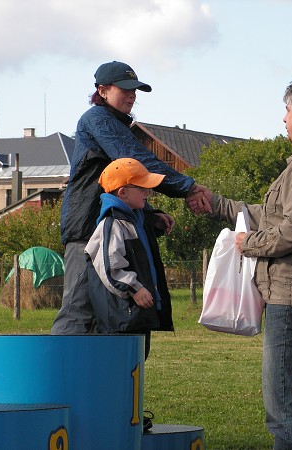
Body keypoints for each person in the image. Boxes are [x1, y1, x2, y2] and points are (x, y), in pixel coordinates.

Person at [190, 73, 292, 450]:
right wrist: (217, 205)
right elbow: (275, 214)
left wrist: (249, 244)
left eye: (287, 110)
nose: (284, 119)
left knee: (288, 413)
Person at [52, 60, 206, 335]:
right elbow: (135, 160)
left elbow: (124, 183)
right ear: (102, 91)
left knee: (116, 317)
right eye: (124, 89)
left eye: (135, 89)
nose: (132, 95)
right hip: (88, 232)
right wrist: (187, 187)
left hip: (112, 228)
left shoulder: (115, 124)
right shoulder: (96, 119)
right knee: (79, 314)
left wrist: (147, 214)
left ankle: (112, 377)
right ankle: (62, 376)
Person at [85, 158, 173, 348]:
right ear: (122, 192)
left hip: (136, 316)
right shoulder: (113, 224)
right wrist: (134, 288)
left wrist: (154, 221)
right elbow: (110, 266)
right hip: (122, 320)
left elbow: (141, 229)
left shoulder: (134, 219)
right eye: (142, 188)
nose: (147, 192)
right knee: (121, 368)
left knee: (136, 366)